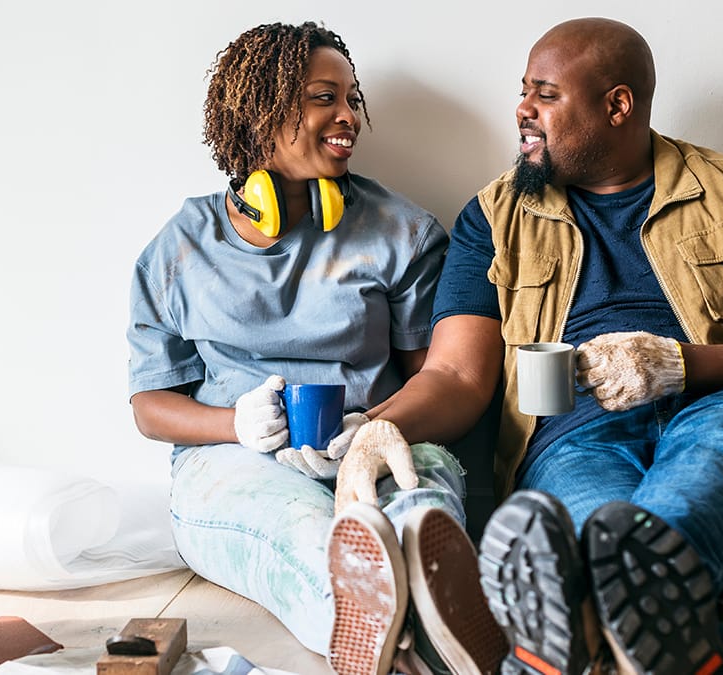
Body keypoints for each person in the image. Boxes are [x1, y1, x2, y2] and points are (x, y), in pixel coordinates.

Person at [334, 16, 723, 675]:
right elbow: (456, 375)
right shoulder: (492, 219)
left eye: (546, 94)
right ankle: (653, 634)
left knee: (715, 449)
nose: (522, 109)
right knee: (577, 533)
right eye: (523, 90)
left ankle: (576, 625)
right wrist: (376, 429)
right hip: (575, 446)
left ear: (618, 105)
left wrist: (679, 365)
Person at [126, 21, 506, 675]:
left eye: (352, 99)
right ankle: (375, 619)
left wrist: (376, 429)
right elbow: (150, 404)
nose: (348, 116)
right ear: (258, 110)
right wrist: (237, 425)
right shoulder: (180, 247)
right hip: (238, 465)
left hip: (379, 439)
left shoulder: (402, 231)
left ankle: (437, 601)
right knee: (310, 539)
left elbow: (437, 379)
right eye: (322, 97)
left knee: (421, 500)